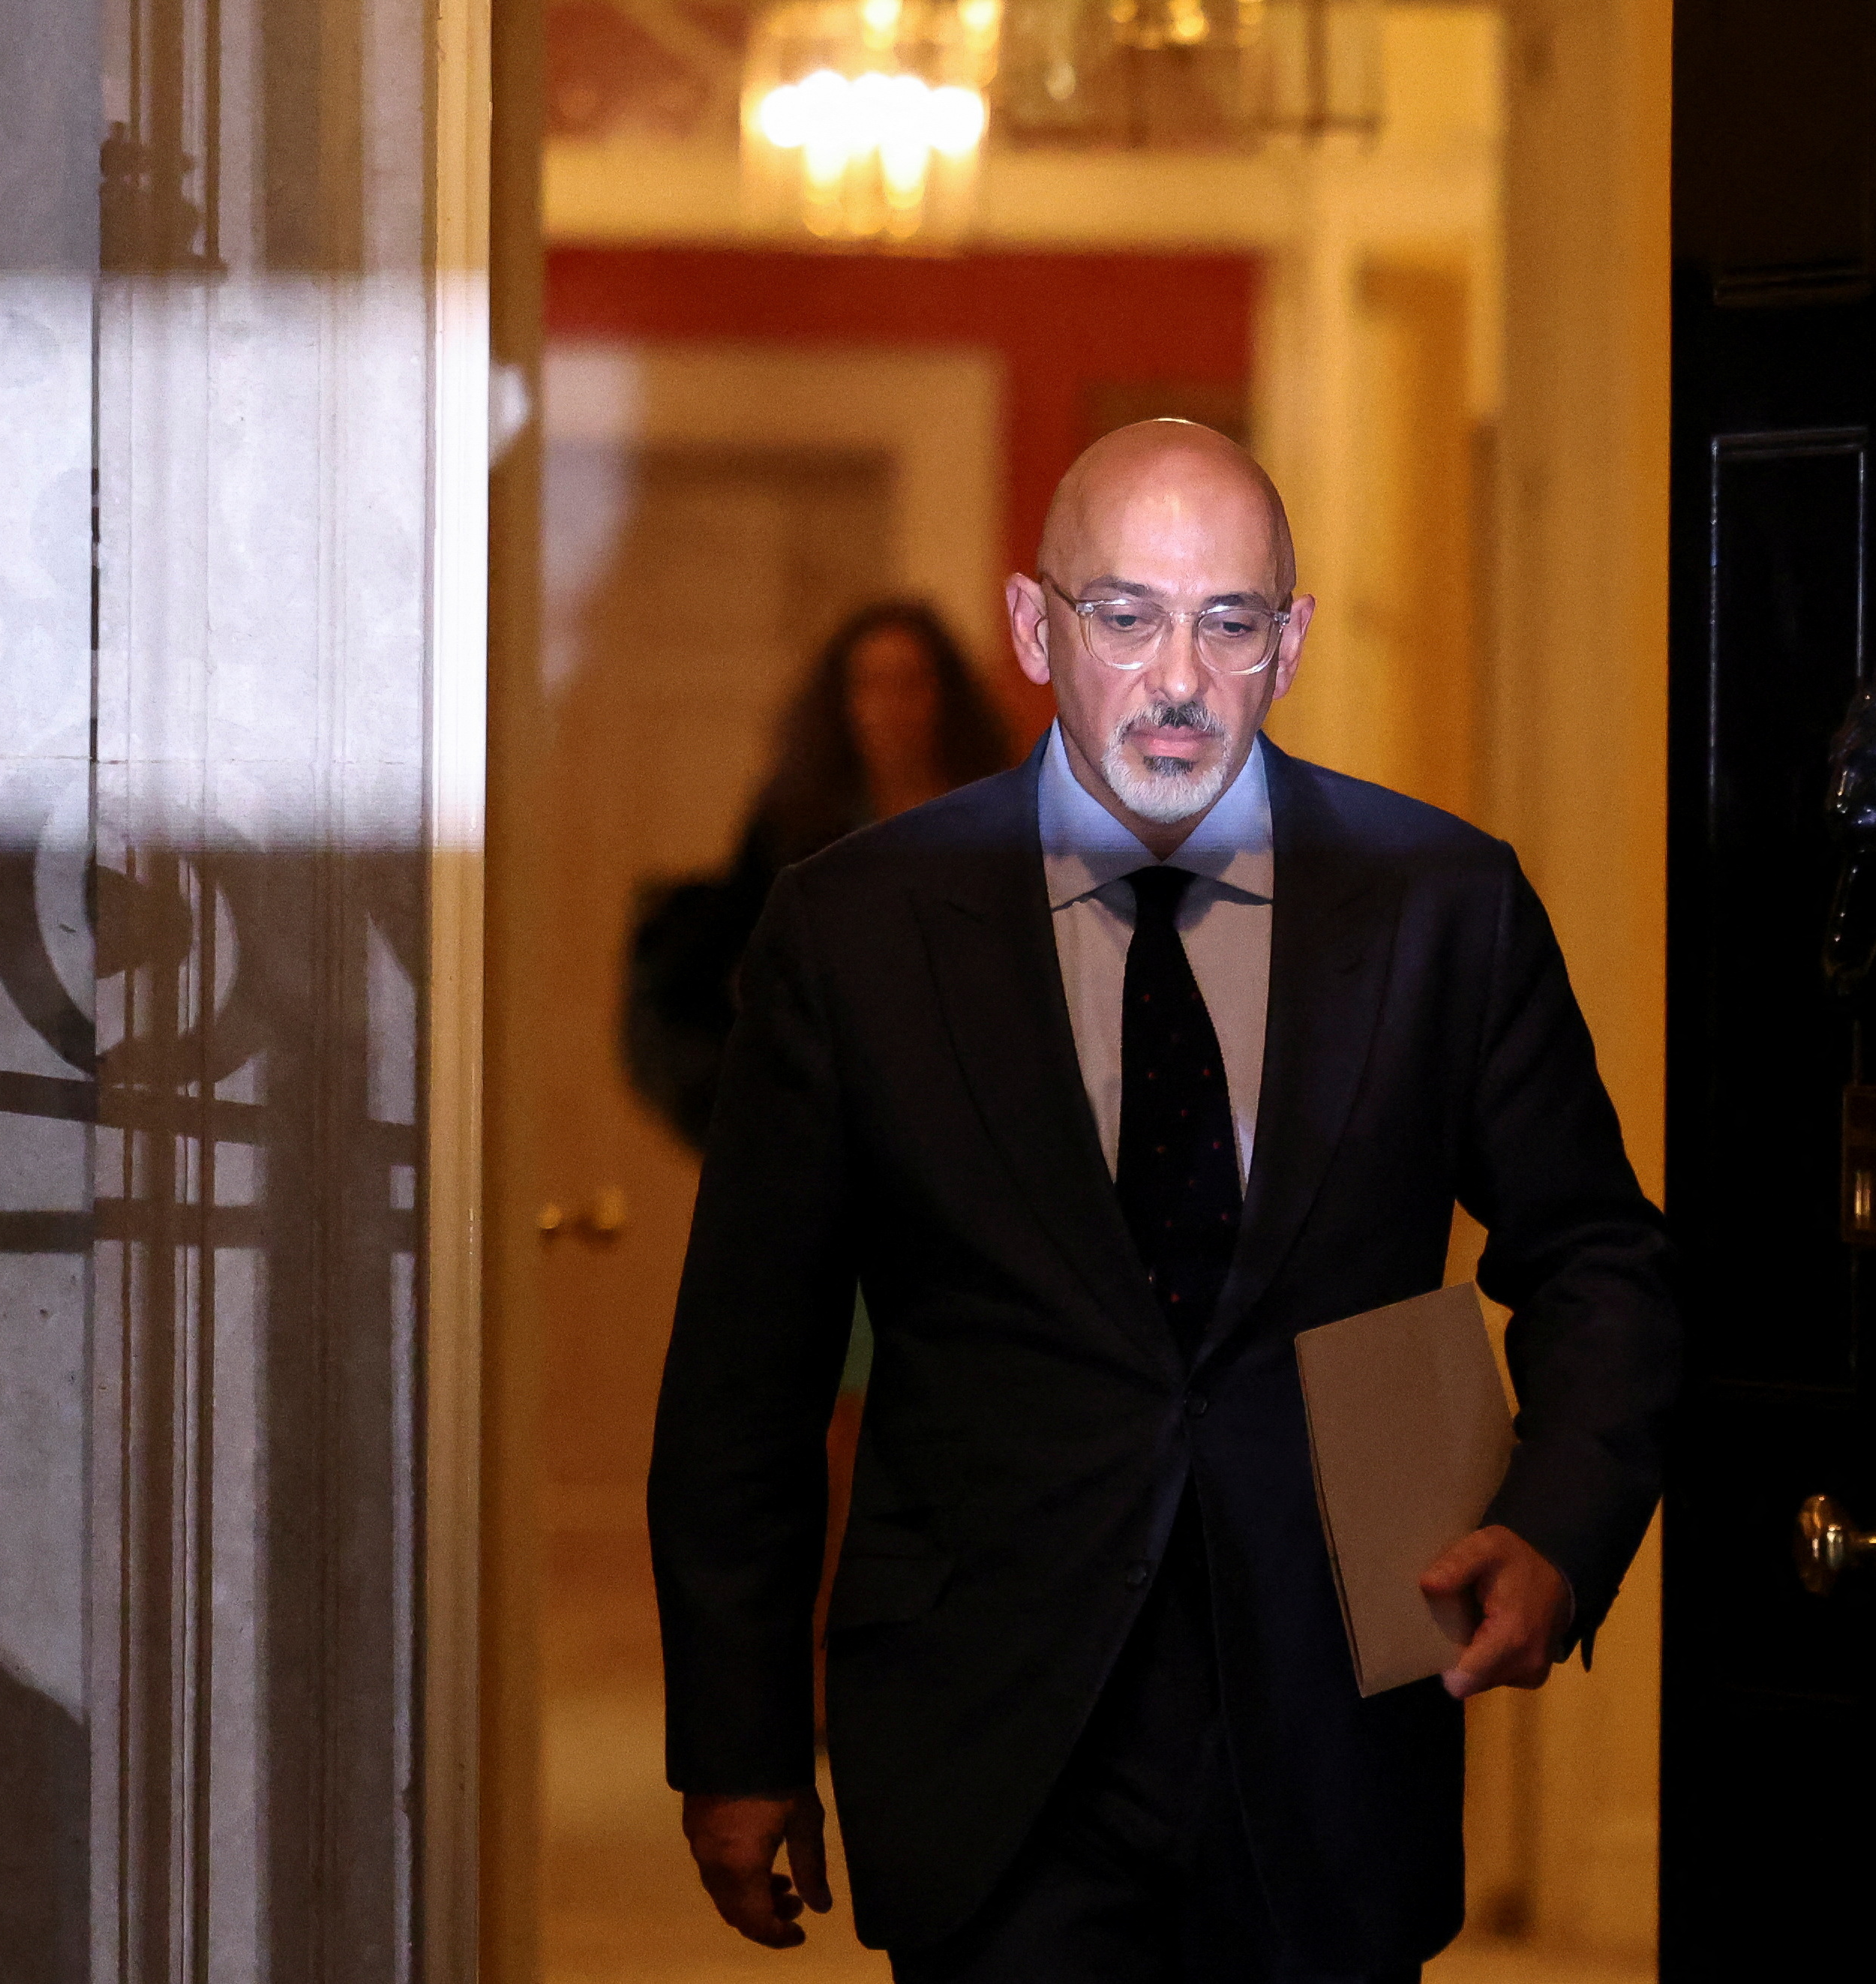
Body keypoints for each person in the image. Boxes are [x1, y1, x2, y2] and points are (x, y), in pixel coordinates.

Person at [650, 421, 1678, 1982]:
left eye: (1228, 620)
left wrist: (1557, 1519)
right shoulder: (852, 927)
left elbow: (1600, 1255)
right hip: (989, 1718)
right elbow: (747, 1366)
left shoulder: (1441, 903)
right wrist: (736, 1730)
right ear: (1031, 626)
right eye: (1124, 616)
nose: (1178, 676)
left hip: (1332, 1708)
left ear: (1293, 640)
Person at [623, 600, 1013, 1149]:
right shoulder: (795, 829)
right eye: (871, 686)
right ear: (843, 702)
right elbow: (717, 966)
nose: (890, 708)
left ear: (944, 696)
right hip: (832, 1125)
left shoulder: (1000, 826)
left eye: (910, 684)